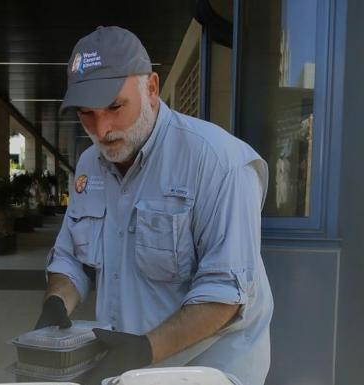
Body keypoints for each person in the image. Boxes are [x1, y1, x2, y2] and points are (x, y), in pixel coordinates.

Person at [35, 26, 273, 385]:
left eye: (115, 107)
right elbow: (71, 260)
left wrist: (145, 349)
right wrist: (56, 303)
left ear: (151, 88)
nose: (102, 129)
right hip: (125, 367)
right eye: (87, 113)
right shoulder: (89, 166)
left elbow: (224, 295)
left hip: (205, 370)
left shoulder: (219, 163)